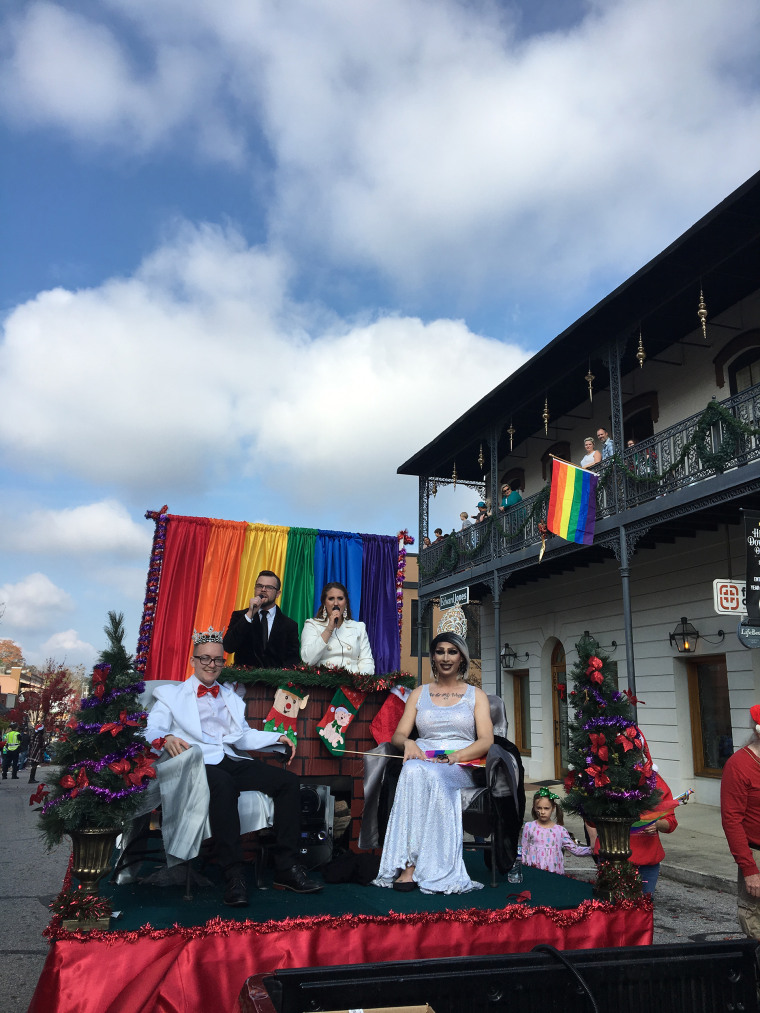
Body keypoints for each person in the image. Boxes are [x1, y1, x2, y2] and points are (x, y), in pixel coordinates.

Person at [143, 628, 321, 907]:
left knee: (288, 782)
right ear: (193, 661)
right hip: (194, 763)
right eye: (205, 659)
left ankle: (286, 867)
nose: (211, 665)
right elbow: (152, 727)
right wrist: (165, 738)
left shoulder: (229, 698)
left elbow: (242, 736)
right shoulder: (171, 696)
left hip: (227, 759)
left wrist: (277, 737)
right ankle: (233, 875)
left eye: (217, 660)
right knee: (224, 784)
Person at [373, 631, 494, 894]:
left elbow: (486, 740)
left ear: (462, 657)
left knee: (432, 775)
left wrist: (457, 756)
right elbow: (398, 735)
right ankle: (409, 864)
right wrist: (408, 743)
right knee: (414, 769)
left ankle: (431, 866)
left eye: (452, 651)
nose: (446, 657)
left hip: (460, 763)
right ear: (433, 657)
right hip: (423, 758)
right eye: (440, 651)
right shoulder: (419, 693)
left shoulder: (477, 695)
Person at [588, 768, 677, 895]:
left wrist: (657, 824)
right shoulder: (604, 776)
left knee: (644, 906)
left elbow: (671, 822)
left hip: (647, 860)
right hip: (610, 855)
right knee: (612, 905)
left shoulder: (654, 779)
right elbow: (591, 817)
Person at [721, 704, 760, 938]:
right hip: (756, 855)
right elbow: (732, 820)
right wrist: (749, 869)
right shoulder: (739, 765)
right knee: (755, 923)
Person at [223, 570, 300, 669]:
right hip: (244, 681)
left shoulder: (289, 625)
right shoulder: (240, 616)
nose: (263, 590)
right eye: (259, 586)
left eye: (269, 587)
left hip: (274, 682)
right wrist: (250, 614)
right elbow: (228, 647)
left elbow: (293, 659)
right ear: (255, 589)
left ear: (278, 593)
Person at [300, 583, 375, 675]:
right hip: (323, 684)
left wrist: (360, 682)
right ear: (324, 603)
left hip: (352, 683)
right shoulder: (312, 625)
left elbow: (367, 661)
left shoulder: (359, 627)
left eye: (340, 598)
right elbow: (308, 660)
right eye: (331, 599)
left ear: (346, 602)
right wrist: (329, 629)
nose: (336, 603)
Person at [520, 788, 591, 875]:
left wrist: (593, 850)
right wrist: (525, 871)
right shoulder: (529, 827)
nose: (542, 812)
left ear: (553, 808)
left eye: (546, 808)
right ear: (534, 808)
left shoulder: (560, 831)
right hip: (534, 874)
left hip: (555, 875)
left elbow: (575, 849)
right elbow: (524, 850)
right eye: (539, 808)